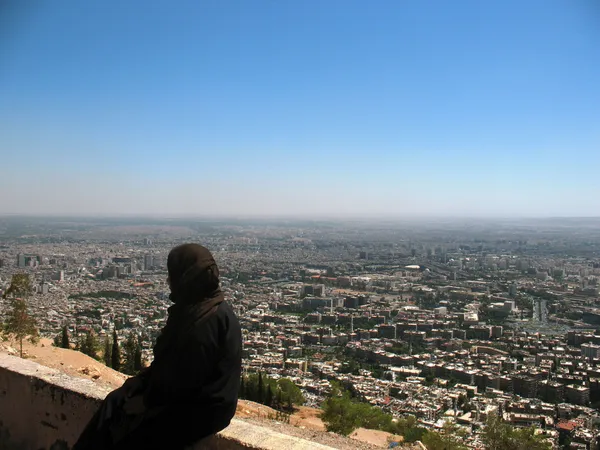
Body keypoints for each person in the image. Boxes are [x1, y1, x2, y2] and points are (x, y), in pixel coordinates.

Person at [73, 244, 242, 450]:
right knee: (113, 401)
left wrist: (147, 401)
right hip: (185, 397)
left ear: (186, 278)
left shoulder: (204, 323)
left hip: (202, 410)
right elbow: (171, 364)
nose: (169, 281)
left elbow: (186, 381)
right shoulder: (199, 309)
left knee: (131, 440)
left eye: (173, 275)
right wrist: (143, 381)